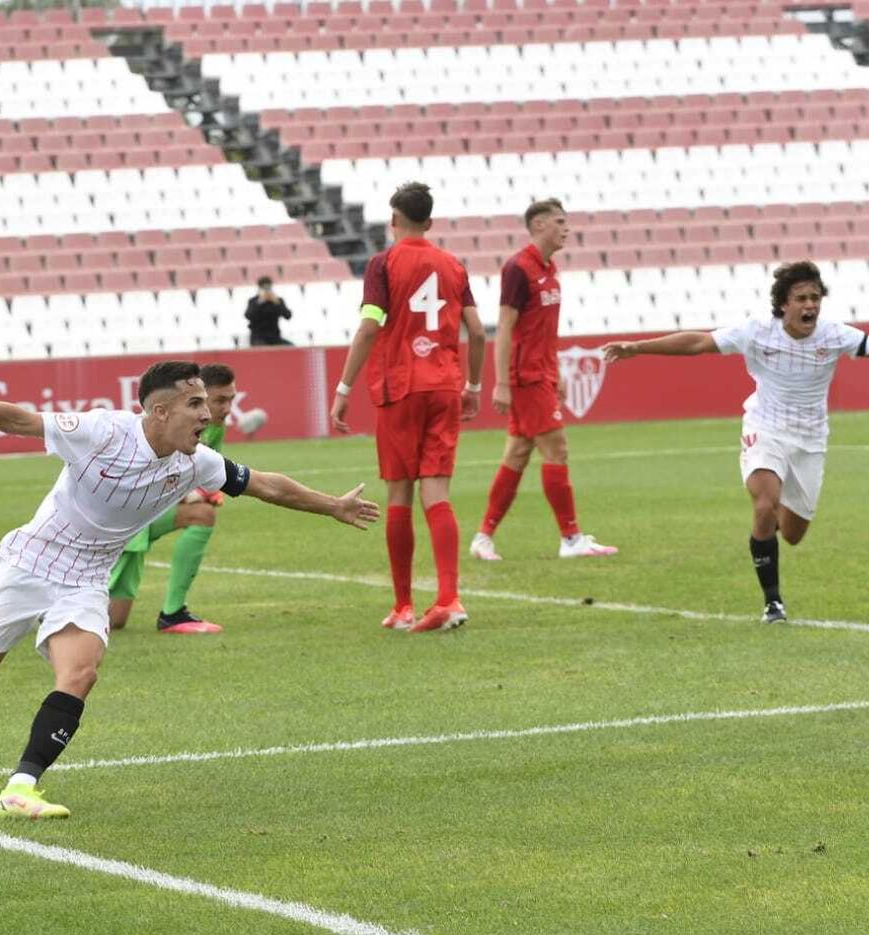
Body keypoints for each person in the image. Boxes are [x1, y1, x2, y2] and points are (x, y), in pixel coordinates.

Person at [0, 360, 379, 820]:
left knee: (80, 672)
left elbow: (267, 485)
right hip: (29, 562)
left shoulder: (197, 461)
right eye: (195, 406)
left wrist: (331, 505)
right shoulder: (104, 431)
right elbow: (19, 420)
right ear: (159, 412)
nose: (207, 415)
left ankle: (20, 788)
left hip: (86, 578)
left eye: (207, 404)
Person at [603, 260, 869, 622]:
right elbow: (698, 343)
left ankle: (770, 529)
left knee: (794, 534)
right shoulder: (756, 331)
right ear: (783, 303)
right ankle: (773, 602)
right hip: (765, 427)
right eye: (801, 298)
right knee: (765, 504)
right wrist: (638, 347)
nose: (810, 306)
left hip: (810, 438)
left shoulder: (835, 335)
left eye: (815, 298)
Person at [330, 181, 486, 633]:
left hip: (400, 387)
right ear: (430, 222)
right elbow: (476, 331)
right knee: (436, 493)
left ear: (393, 220)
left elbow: (369, 327)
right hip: (444, 386)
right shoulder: (453, 265)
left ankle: (402, 607)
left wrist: (343, 387)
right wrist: (472, 384)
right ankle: (449, 599)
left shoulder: (384, 264)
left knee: (399, 493)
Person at [471, 198, 617, 563]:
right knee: (557, 449)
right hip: (525, 377)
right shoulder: (518, 268)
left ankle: (483, 537)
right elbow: (505, 327)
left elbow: (544, 329)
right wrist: (501, 382)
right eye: (559, 222)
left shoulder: (551, 269)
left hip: (541, 373)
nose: (566, 229)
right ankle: (571, 538)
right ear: (538, 225)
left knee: (518, 453)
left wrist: (558, 372)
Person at [107, 362, 239, 635]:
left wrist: (202, 493)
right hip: (126, 520)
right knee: (109, 619)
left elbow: (200, 475)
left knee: (202, 514)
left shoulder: (214, 428)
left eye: (231, 400)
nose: (226, 409)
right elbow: (154, 476)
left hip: (146, 519)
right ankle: (43, 604)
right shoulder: (167, 429)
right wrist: (192, 493)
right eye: (219, 401)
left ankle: (173, 614)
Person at [245, 276, 294, 346]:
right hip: (258, 337)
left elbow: (288, 316)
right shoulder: (253, 301)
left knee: (290, 347)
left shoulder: (278, 301)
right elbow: (248, 315)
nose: (267, 291)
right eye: (264, 288)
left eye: (268, 288)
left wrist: (277, 303)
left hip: (275, 337)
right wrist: (260, 302)